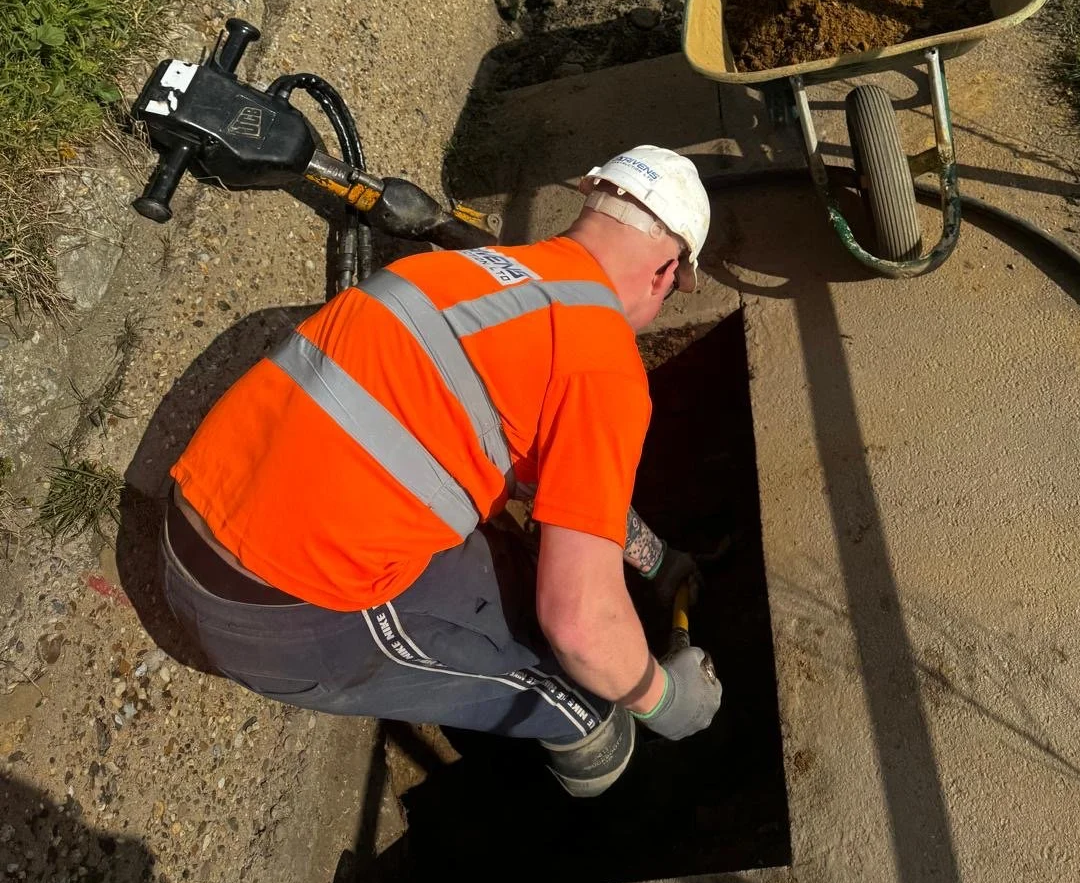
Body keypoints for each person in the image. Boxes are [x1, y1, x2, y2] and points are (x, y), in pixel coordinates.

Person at [161, 145, 722, 797]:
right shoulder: (606, 367)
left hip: (196, 525)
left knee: (516, 554)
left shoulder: (471, 273)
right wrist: (663, 698)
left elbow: (554, 476)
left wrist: (654, 561)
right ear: (664, 273)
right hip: (276, 613)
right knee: (593, 707)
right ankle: (556, 770)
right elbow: (580, 624)